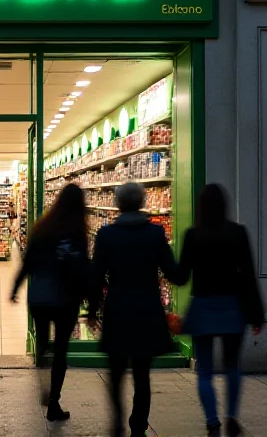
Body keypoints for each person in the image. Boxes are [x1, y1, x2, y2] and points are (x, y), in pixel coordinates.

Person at [88, 182, 183, 437]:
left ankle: (117, 420)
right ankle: (138, 426)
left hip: (118, 309)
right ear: (142, 202)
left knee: (116, 372)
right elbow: (174, 273)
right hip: (147, 310)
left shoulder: (106, 235)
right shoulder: (155, 234)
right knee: (142, 374)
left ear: (117, 204)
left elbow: (96, 276)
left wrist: (91, 311)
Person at [177, 184, 264, 437]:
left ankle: (212, 420)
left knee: (204, 369)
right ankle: (232, 415)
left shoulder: (193, 235)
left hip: (203, 305)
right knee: (232, 366)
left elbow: (182, 277)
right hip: (232, 305)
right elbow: (249, 274)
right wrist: (256, 313)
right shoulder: (238, 233)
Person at [11, 183, 88, 422]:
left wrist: (15, 287)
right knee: (61, 350)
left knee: (43, 342)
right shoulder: (78, 232)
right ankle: (53, 401)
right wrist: (91, 301)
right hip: (66, 298)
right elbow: (84, 267)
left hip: (40, 297)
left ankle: (43, 373)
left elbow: (28, 262)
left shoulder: (42, 228)